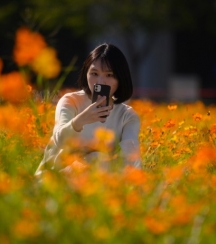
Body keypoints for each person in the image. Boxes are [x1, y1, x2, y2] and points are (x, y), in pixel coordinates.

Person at [35, 43, 141, 176]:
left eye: (109, 75)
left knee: (97, 158)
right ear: (86, 73)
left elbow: (131, 159)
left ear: (120, 78)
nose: (100, 81)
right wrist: (80, 120)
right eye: (94, 73)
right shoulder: (71, 101)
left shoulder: (127, 116)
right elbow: (60, 140)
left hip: (99, 182)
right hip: (56, 178)